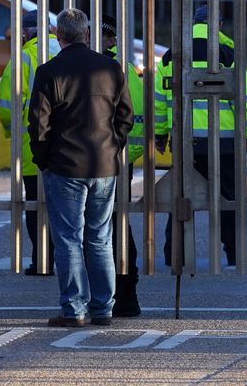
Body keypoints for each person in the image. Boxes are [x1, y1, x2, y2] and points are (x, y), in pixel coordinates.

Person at [28, 8, 134, 327]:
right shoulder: (111, 68)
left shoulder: (49, 71)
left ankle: (74, 308)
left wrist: (43, 158)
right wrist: (113, 145)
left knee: (69, 238)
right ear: (87, 34)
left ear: (59, 37)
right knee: (100, 237)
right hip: (103, 163)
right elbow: (125, 117)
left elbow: (38, 123)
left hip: (64, 165)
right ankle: (103, 308)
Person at [154, 5, 247, 267]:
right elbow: (244, 100)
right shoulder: (227, 54)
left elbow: (160, 100)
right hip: (222, 141)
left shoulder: (172, 56)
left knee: (182, 196)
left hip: (185, 139)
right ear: (219, 25)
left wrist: (160, 134)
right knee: (228, 199)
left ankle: (173, 252)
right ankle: (235, 253)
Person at [0, 9, 59, 275]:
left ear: (26, 32)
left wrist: (12, 131)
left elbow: (7, 107)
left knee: (36, 204)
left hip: (33, 144)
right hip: (71, 146)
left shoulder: (22, 58)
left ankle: (42, 261)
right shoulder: (66, 50)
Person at [99, 19, 143, 317]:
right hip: (114, 157)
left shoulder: (121, 69)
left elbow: (135, 119)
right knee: (112, 228)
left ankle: (121, 294)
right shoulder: (123, 70)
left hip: (114, 160)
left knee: (110, 229)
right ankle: (115, 296)